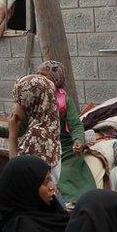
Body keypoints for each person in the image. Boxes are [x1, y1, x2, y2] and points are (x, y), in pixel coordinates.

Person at [36, 61, 94, 203]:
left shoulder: (64, 101)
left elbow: (76, 126)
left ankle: (75, 206)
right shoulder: (33, 98)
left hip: (65, 151)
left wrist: (79, 141)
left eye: (44, 76)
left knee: (66, 177)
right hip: (40, 149)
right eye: (37, 75)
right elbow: (20, 127)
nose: (39, 78)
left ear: (55, 80)